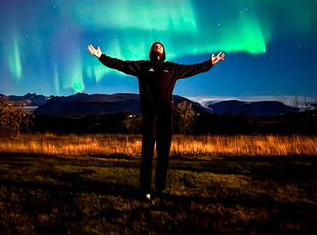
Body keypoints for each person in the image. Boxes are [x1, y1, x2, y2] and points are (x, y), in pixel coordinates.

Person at [87, 41, 224, 200]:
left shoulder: (172, 68)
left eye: (160, 46)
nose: (157, 47)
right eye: (155, 46)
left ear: (164, 52)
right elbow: (121, 65)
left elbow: (192, 69)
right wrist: (101, 57)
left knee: (163, 154)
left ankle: (160, 188)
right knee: (147, 153)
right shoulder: (142, 67)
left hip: (167, 114)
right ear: (152, 51)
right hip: (150, 114)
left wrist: (210, 63)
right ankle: (145, 190)